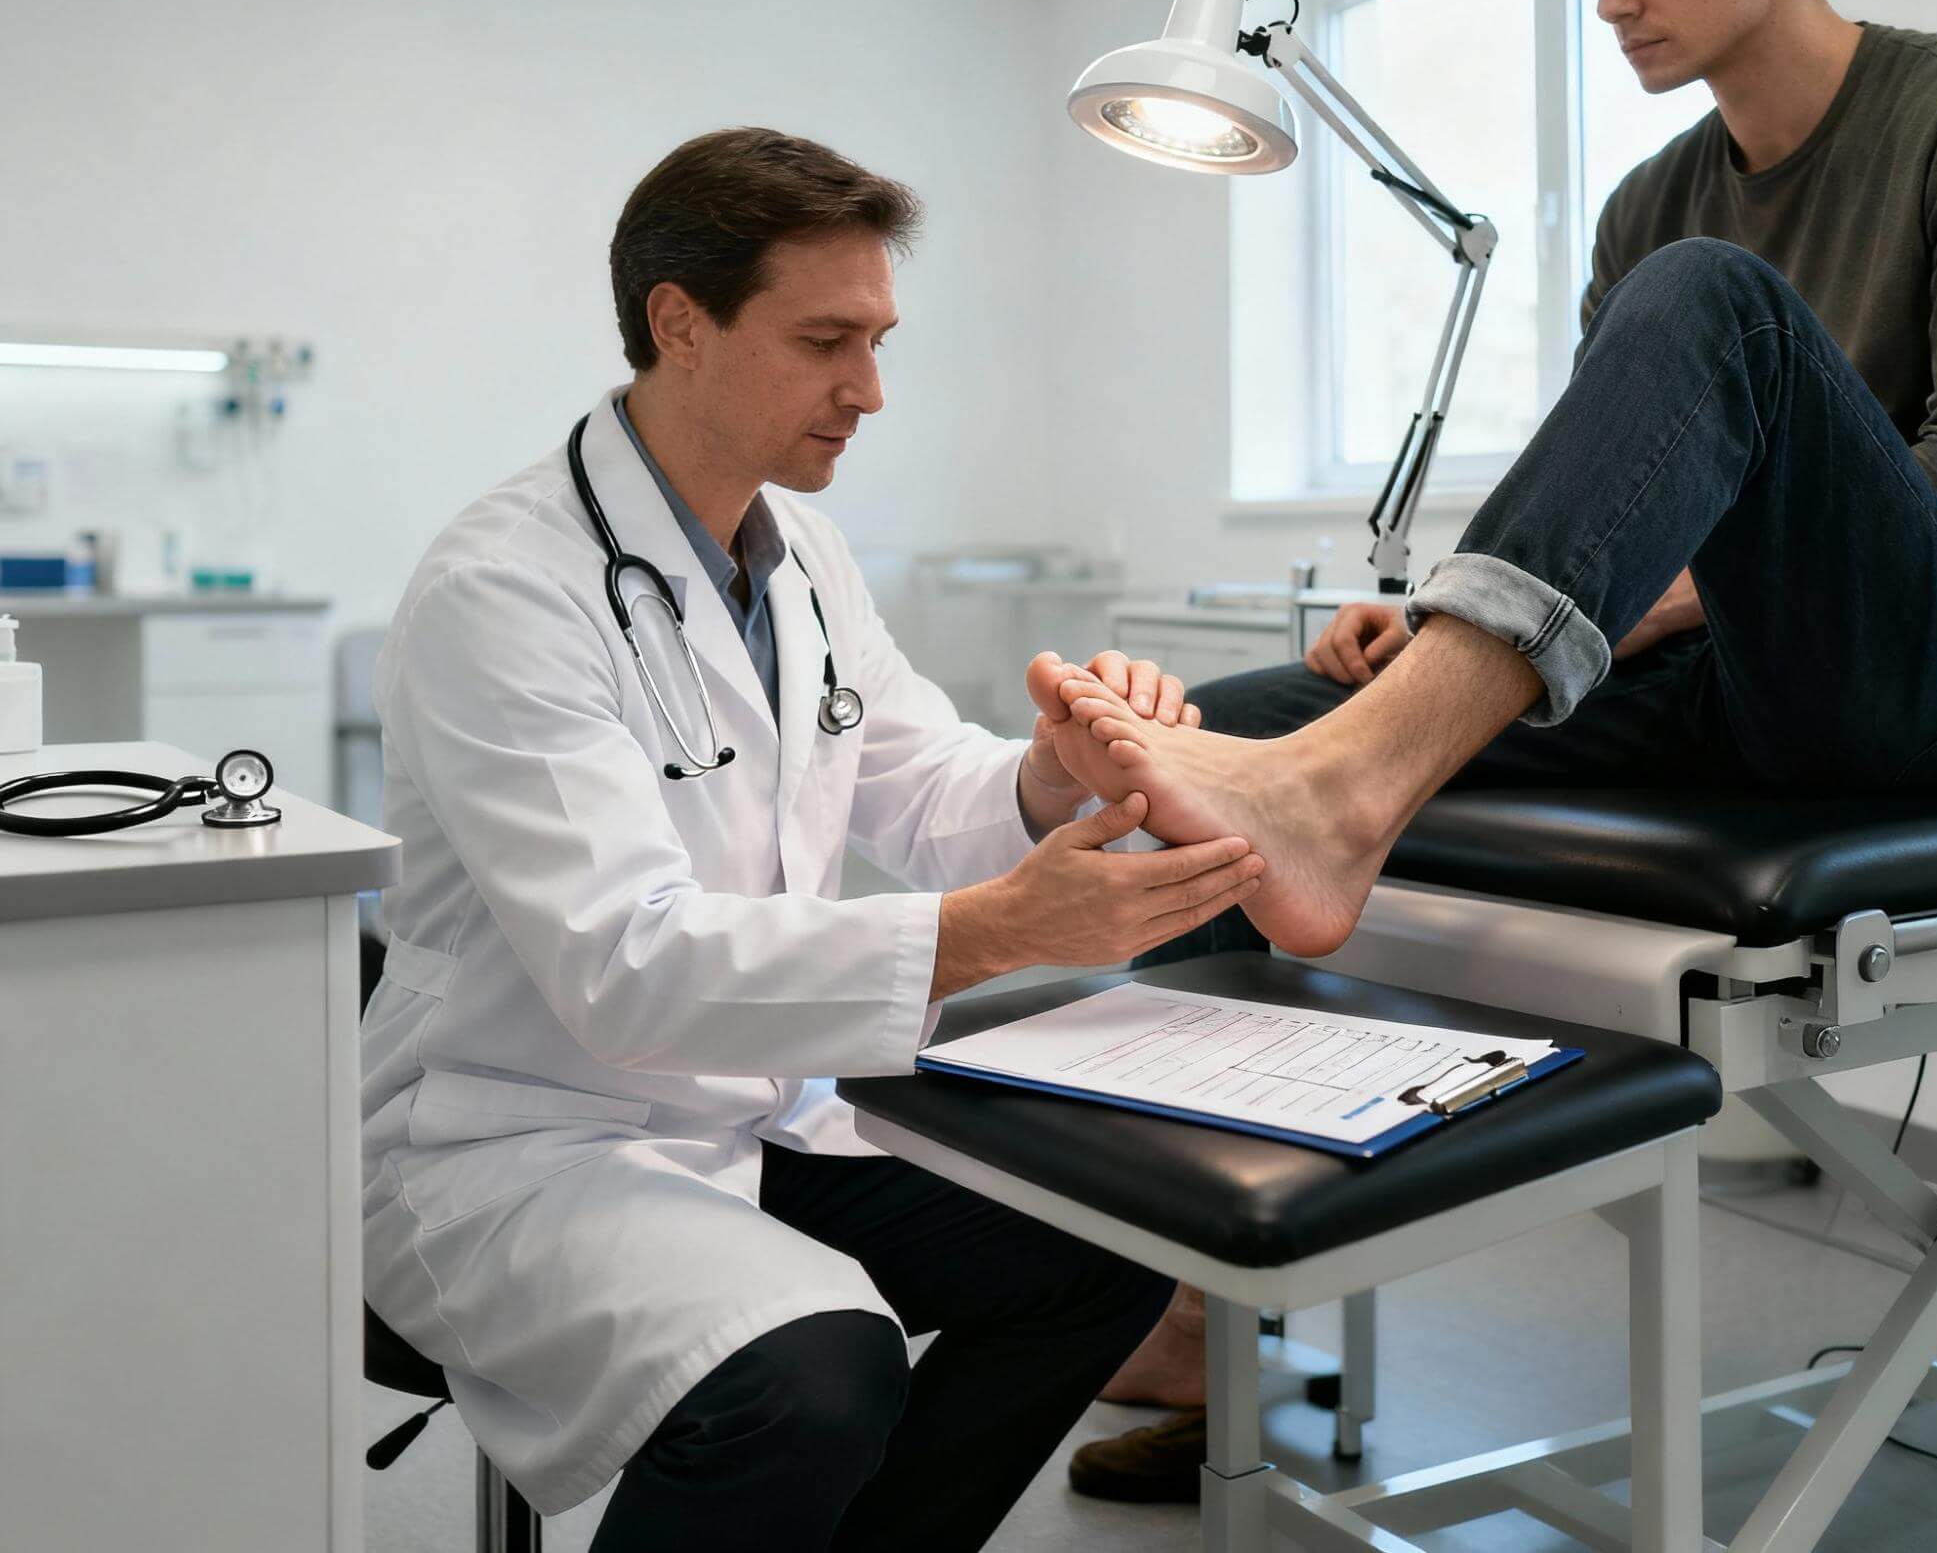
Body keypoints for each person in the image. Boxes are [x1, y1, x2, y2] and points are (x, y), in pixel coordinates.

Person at [1066, 0, 1937, 1500]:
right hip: (1728, 683)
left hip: (1936, 683)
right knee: (1210, 734)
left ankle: (1344, 795)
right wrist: (1435, 624)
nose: (1614, 0)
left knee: (1717, 305)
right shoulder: (1655, 192)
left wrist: (1613, 599)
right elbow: (1630, 501)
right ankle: (1218, 1315)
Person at [360, 126, 1271, 1551]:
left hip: (752, 1107)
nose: (871, 391)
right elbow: (626, 966)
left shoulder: (801, 558)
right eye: (826, 342)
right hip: (522, 1136)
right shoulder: (505, 590)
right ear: (682, 327)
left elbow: (914, 787)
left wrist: (1047, 775)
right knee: (814, 1381)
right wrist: (999, 934)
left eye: (880, 339)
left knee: (1107, 1257)